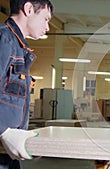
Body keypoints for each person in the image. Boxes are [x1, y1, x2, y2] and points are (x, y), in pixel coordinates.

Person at [0, 0, 54, 168]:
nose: (48, 27)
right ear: (29, 9)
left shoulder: (18, 48)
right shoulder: (4, 40)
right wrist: (3, 131)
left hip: (7, 153)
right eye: (45, 19)